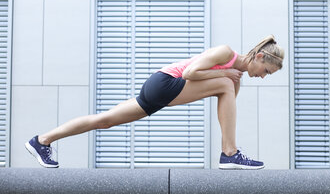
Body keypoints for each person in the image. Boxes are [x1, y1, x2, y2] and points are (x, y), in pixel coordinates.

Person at [25, 35, 284, 169]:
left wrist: (227, 78)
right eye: (267, 71)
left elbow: (223, 109)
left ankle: (42, 140)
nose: (264, 77)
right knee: (226, 84)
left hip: (159, 93)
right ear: (260, 57)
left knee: (104, 120)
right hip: (164, 83)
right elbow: (189, 73)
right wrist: (225, 74)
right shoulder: (226, 54)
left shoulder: (233, 79)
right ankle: (230, 155)